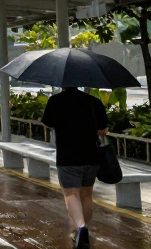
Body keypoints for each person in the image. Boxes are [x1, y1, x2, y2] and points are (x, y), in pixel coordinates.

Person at [41, 86, 110, 249]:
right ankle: (83, 228)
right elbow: (103, 130)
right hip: (91, 155)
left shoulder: (55, 101)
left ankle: (80, 227)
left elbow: (48, 123)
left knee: (71, 194)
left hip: (67, 156)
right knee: (86, 195)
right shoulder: (94, 101)